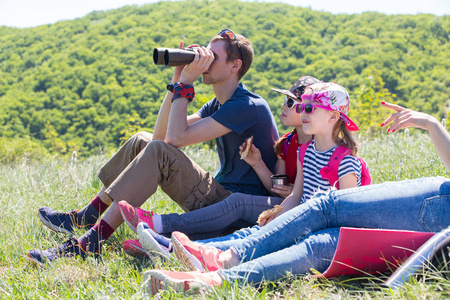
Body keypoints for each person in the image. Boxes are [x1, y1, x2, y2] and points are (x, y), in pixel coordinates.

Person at [142, 101, 450, 296]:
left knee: (324, 208)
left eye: (306, 106)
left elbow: (311, 195)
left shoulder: (343, 158)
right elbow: (284, 188)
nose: (299, 111)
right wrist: (262, 168)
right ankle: (214, 274)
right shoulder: (297, 147)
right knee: (320, 242)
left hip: (438, 207)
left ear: (332, 116)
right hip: (436, 207)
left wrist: (431, 124)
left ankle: (219, 260)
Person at [27, 29, 279, 265]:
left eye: (213, 57)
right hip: (219, 193)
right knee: (143, 139)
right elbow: (161, 135)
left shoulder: (247, 106)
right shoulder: (219, 103)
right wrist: (177, 79)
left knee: (157, 151)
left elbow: (176, 138)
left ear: (235, 66)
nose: (204, 61)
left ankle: (90, 242)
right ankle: (87, 215)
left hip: (234, 211)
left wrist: (187, 84)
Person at [119, 76, 320, 252]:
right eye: (286, 100)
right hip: (283, 202)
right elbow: (275, 188)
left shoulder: (318, 144)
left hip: (303, 206)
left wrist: (297, 192)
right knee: (229, 217)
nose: (285, 106)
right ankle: (160, 243)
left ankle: (158, 223)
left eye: (292, 103)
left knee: (238, 203)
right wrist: (257, 163)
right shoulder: (286, 144)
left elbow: (325, 188)